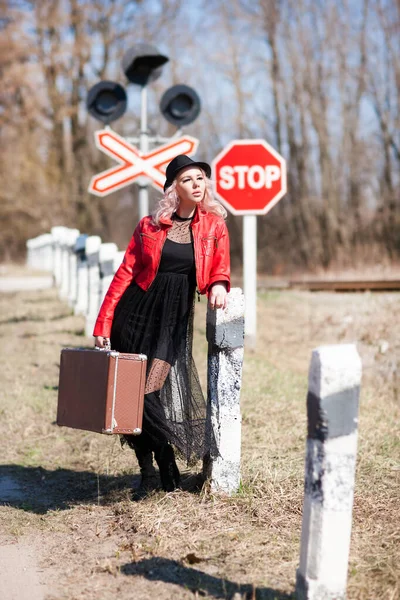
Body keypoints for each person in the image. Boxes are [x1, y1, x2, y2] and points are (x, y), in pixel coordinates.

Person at [93, 154, 230, 493]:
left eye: (200, 178)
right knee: (128, 394)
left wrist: (218, 284)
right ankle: (151, 467)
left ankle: (164, 457)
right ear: (173, 188)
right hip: (136, 312)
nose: (197, 185)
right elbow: (125, 274)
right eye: (188, 180)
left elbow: (220, 267)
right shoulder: (149, 226)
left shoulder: (214, 225)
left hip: (174, 318)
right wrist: (103, 324)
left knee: (148, 389)